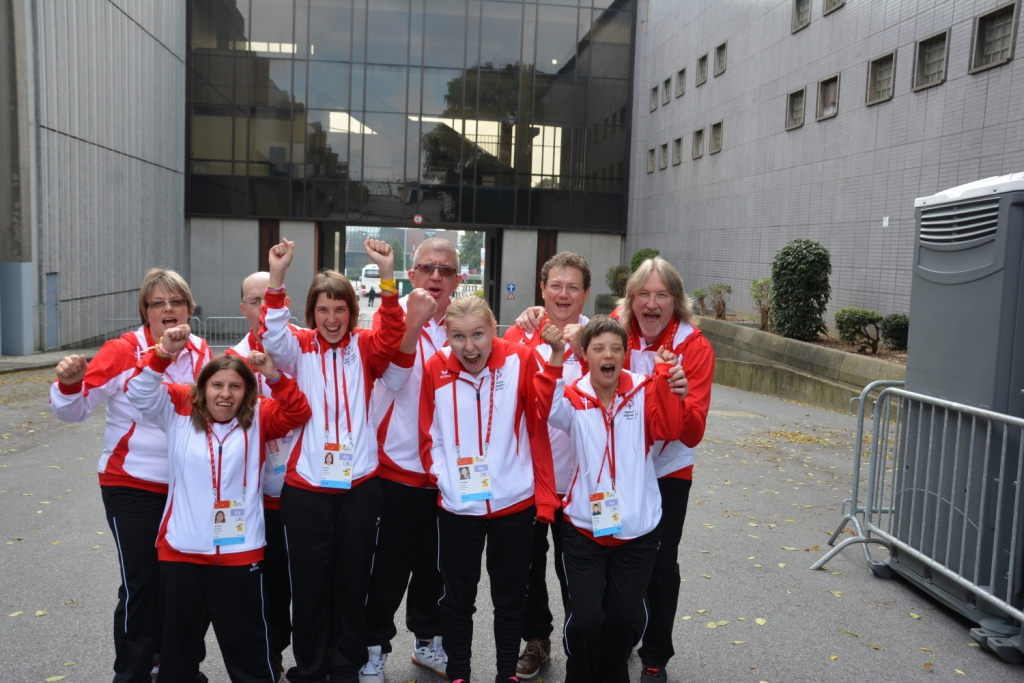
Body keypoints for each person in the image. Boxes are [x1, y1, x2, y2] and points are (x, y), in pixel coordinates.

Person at [50, 268, 211, 683]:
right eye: (158, 303)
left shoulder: (200, 351)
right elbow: (73, 411)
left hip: (184, 488)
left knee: (181, 581)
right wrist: (69, 385)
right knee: (143, 581)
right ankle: (133, 672)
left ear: (189, 308)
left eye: (176, 301)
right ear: (145, 311)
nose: (168, 309)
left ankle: (172, 667)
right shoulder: (122, 351)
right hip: (131, 482)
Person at [125, 326, 311, 683]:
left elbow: (298, 412)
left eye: (235, 386)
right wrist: (163, 353)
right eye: (217, 385)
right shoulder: (178, 406)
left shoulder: (259, 414)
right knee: (178, 654)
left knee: (249, 654)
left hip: (240, 553)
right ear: (202, 389)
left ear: (247, 392)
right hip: (181, 552)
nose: (225, 394)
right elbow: (139, 392)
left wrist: (274, 376)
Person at [262, 236, 408, 683]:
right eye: (323, 310)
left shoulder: (364, 346)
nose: (331, 319)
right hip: (306, 490)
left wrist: (388, 274)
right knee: (308, 586)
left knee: (352, 582)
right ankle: (310, 668)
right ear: (311, 312)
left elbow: (392, 332)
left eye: (340, 309)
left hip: (359, 486)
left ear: (352, 310)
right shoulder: (298, 346)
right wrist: (278, 277)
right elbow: (273, 334)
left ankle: (346, 665)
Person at [535, 316, 704, 683]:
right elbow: (545, 408)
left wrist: (669, 379)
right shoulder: (573, 396)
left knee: (624, 618)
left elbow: (672, 428)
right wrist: (556, 355)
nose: (607, 355)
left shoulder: (644, 390)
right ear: (585, 355)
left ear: (625, 355)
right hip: (584, 529)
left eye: (615, 348)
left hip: (637, 531)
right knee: (586, 619)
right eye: (598, 348)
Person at [419, 295, 560, 683]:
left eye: (478, 335)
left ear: (493, 330)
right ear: (447, 336)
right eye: (458, 337)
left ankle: (505, 675)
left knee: (510, 599)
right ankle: (459, 674)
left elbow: (541, 413)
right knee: (457, 599)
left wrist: (557, 356)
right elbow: (429, 435)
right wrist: (446, 482)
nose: (469, 347)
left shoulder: (520, 359)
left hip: (514, 503)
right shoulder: (436, 367)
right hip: (458, 506)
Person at [363, 236, 460, 681]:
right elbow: (390, 377)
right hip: (394, 467)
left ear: (458, 279)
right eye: (428, 268)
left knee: (434, 570)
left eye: (446, 270)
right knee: (386, 571)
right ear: (412, 273)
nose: (436, 276)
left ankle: (427, 642)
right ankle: (372, 648)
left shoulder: (465, 322)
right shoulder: (391, 314)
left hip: (445, 475)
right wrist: (414, 325)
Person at [618, 258, 714, 682]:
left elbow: (691, 433)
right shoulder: (615, 331)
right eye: (643, 294)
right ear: (631, 299)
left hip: (669, 470)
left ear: (676, 301)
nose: (651, 303)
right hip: (621, 466)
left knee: (660, 563)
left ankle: (655, 654)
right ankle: (622, 635)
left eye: (661, 295)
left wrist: (678, 396)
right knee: (616, 555)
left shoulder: (694, 346)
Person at [502, 251, 591, 678]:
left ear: (585, 293)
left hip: (580, 481)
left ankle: (585, 644)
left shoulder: (600, 337)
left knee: (578, 572)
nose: (563, 294)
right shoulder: (521, 336)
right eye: (556, 285)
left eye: (573, 287)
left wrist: (583, 346)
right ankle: (536, 639)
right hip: (531, 477)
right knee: (528, 569)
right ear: (542, 289)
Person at [227, 271, 297, 674]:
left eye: (272, 302)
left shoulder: (305, 345)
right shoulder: (230, 362)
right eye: (256, 302)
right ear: (243, 309)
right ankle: (271, 652)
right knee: (268, 585)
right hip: (258, 495)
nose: (264, 309)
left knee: (311, 579)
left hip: (307, 487)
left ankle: (316, 655)